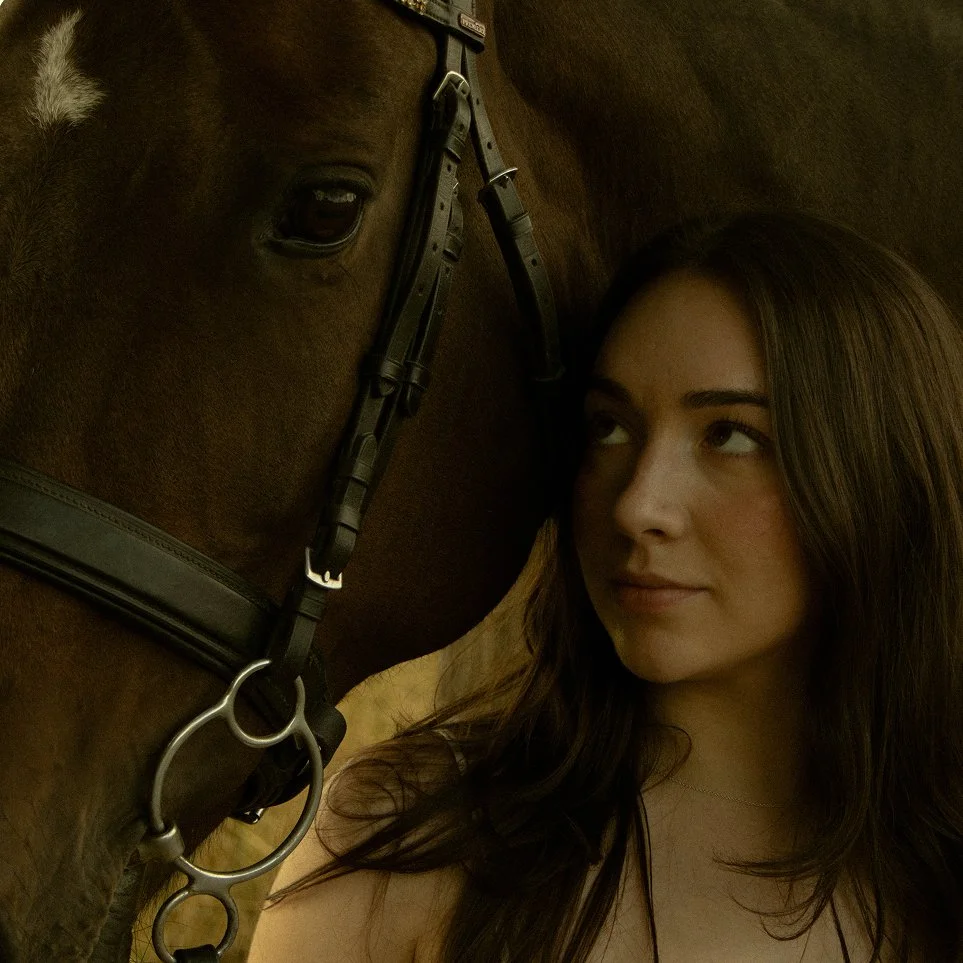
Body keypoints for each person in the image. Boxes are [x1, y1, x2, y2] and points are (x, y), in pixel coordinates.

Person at [247, 211, 963, 962]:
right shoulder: (407, 839)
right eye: (610, 427)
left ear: (881, 475)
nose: (636, 504)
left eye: (729, 435)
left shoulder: (934, 879)